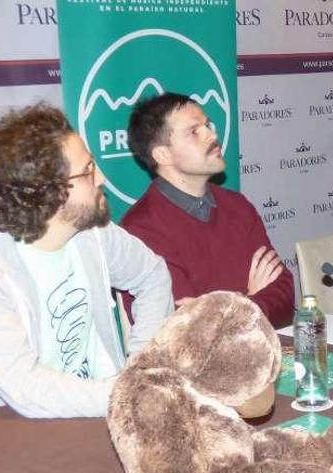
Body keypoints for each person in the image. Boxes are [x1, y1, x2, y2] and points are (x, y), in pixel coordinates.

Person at [0, 103, 174, 423]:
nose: (101, 178)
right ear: (45, 192)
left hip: (103, 415)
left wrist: (142, 367)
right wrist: (131, 394)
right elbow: (27, 389)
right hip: (2, 442)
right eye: (87, 171)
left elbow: (152, 275)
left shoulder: (91, 230)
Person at [122, 93, 294, 327]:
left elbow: (284, 294)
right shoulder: (139, 231)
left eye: (208, 126)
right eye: (194, 131)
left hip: (265, 353)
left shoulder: (237, 206)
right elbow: (188, 329)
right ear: (163, 154)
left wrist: (226, 310)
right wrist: (247, 302)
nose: (212, 135)